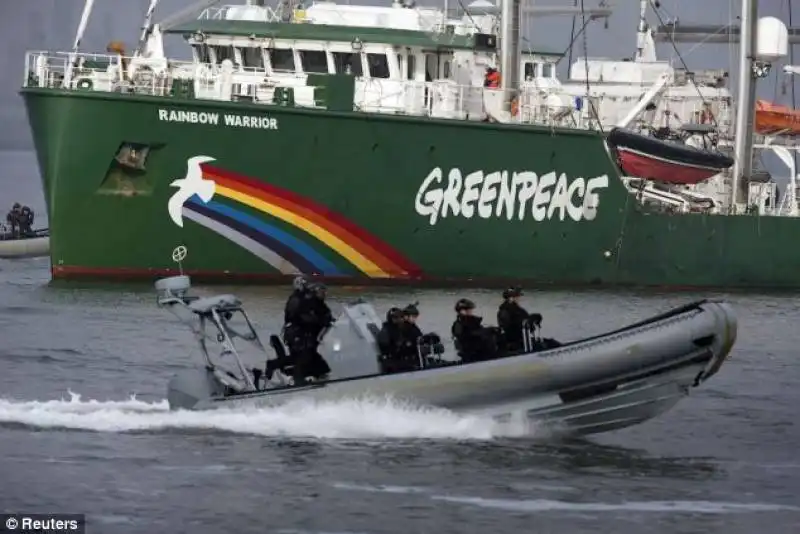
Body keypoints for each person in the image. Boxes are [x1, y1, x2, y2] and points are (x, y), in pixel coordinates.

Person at [289, 282, 333, 384]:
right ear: (316, 292)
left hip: (314, 336)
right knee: (305, 357)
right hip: (302, 336)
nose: (324, 294)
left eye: (325, 292)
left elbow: (326, 314)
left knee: (313, 357)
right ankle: (298, 381)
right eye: (322, 292)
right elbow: (303, 317)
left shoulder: (320, 304)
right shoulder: (307, 303)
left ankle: (320, 376)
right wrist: (319, 321)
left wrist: (328, 320)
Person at [451, 298, 500, 363]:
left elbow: (479, 330)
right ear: (462, 311)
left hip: (482, 352)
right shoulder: (459, 325)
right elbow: (465, 336)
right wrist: (486, 332)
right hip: (473, 354)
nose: (471, 311)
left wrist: (491, 330)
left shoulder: (473, 322)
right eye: (469, 310)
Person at [497, 287, 542, 353]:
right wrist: (524, 323)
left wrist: (533, 319)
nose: (519, 298)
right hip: (516, 341)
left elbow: (525, 319)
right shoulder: (504, 311)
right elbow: (508, 327)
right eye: (516, 296)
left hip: (524, 338)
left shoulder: (518, 310)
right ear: (510, 298)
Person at [377, 307, 409, 373]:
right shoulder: (386, 331)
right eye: (397, 318)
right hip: (391, 363)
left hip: (400, 360)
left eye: (401, 317)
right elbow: (384, 348)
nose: (400, 319)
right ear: (392, 319)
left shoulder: (400, 329)